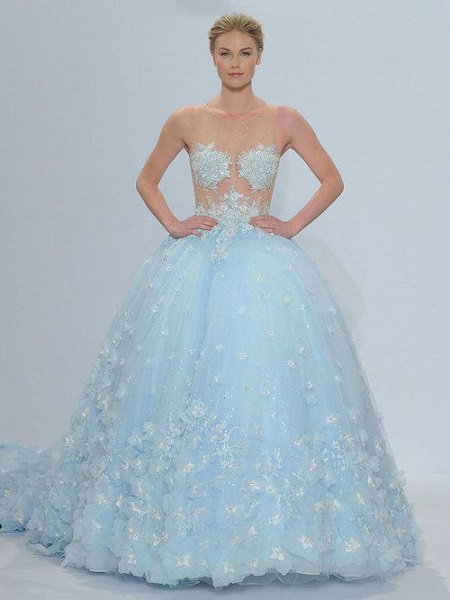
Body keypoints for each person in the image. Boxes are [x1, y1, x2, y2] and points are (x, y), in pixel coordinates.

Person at [0, 12, 424, 590]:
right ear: (212, 57)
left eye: (245, 53)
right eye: (225, 53)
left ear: (259, 57)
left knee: (266, 384)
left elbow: (332, 179)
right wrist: (174, 223)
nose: (235, 63)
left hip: (264, 267)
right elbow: (147, 178)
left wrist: (291, 225)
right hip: (194, 267)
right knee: (179, 380)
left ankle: (279, 527)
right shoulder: (187, 119)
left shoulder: (284, 119)